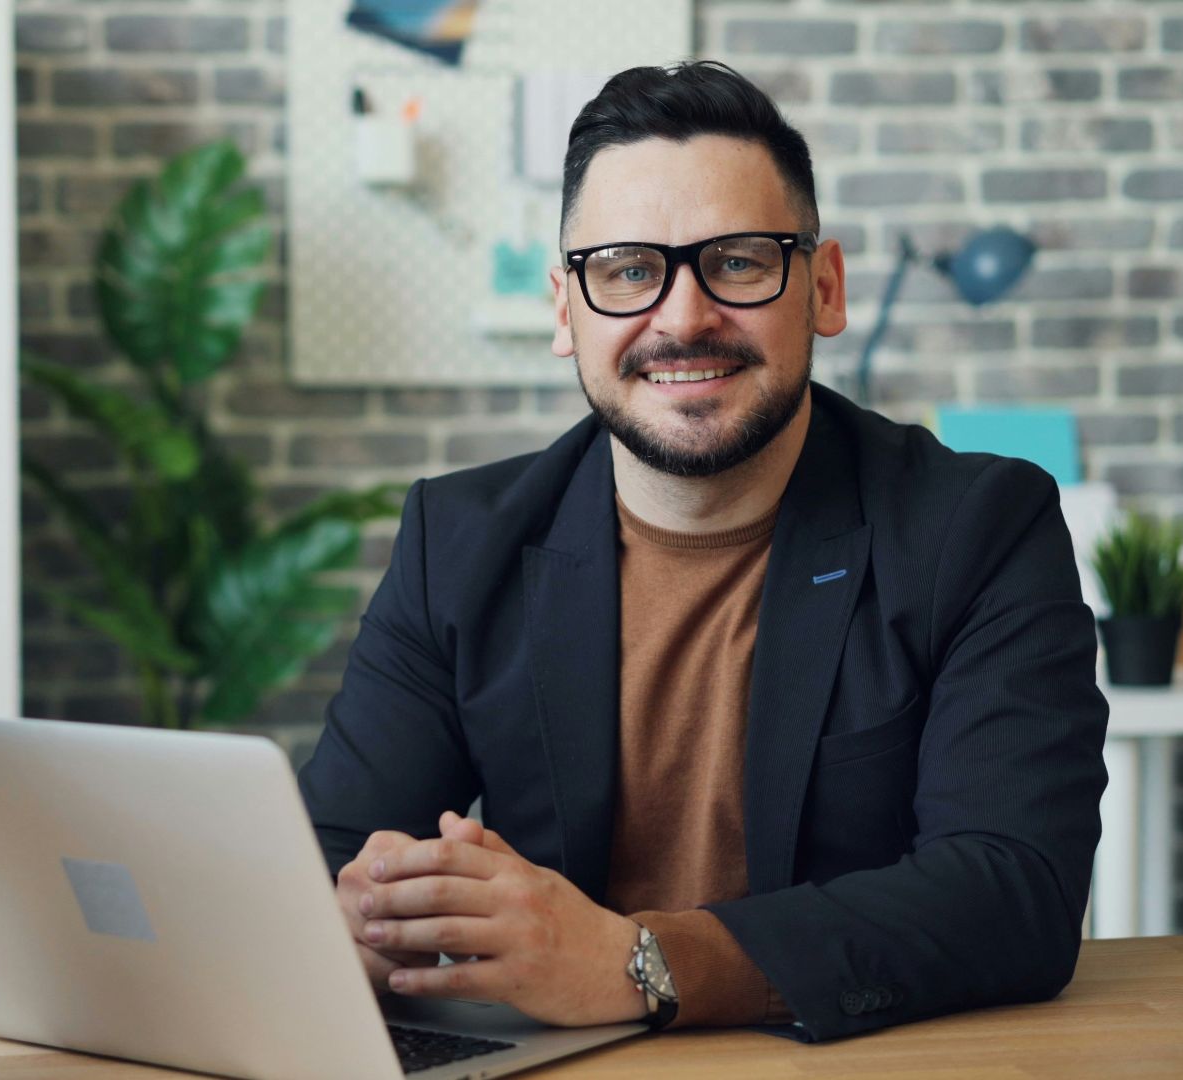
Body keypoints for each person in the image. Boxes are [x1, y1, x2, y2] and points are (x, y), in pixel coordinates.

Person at [297, 60, 1109, 1043]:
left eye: (735, 260)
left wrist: (636, 963)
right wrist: (356, 921)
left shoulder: (977, 528)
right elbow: (333, 859)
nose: (681, 317)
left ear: (824, 287)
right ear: (566, 309)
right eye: (629, 269)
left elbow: (1014, 891)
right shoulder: (454, 544)